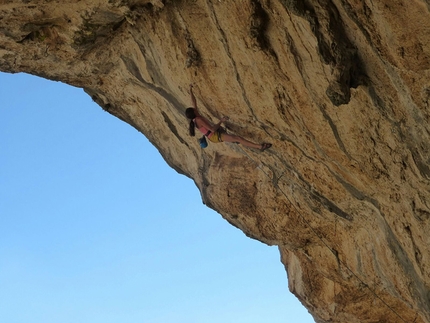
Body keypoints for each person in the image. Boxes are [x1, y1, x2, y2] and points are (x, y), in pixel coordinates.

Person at [185, 85, 272, 151]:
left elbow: (194, 102)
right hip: (215, 136)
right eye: (193, 109)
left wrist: (190, 90)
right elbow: (212, 129)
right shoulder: (199, 120)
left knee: (234, 138)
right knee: (238, 138)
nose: (194, 108)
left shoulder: (195, 116)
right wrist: (221, 121)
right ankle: (260, 147)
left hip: (214, 135)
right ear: (194, 112)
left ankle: (233, 139)